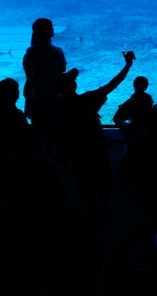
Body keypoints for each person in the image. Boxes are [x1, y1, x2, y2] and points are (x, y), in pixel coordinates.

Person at [56, 51, 135, 219]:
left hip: (77, 151)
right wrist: (127, 65)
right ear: (72, 85)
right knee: (101, 179)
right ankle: (103, 208)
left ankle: (92, 212)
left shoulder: (59, 109)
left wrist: (62, 156)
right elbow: (112, 84)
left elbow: (57, 134)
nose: (75, 81)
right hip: (95, 147)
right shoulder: (87, 100)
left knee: (84, 182)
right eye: (72, 80)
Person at [22, 18, 67, 154]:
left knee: (38, 132)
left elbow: (29, 73)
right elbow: (62, 69)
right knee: (55, 132)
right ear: (49, 31)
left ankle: (39, 160)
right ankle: (57, 162)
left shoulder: (31, 51)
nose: (53, 30)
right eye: (51, 28)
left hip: (37, 96)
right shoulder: (57, 51)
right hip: (54, 96)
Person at [113, 76, 155, 144]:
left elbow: (117, 118)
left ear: (134, 85)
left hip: (134, 127)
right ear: (146, 86)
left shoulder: (132, 99)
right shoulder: (147, 98)